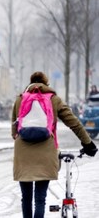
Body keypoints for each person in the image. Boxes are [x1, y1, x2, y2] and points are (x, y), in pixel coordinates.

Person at [11, 71, 98, 218]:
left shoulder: (20, 100)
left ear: (30, 83)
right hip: (46, 153)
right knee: (40, 200)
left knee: (26, 198)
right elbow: (74, 123)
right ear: (46, 84)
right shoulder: (53, 99)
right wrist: (88, 143)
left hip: (23, 154)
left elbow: (14, 130)